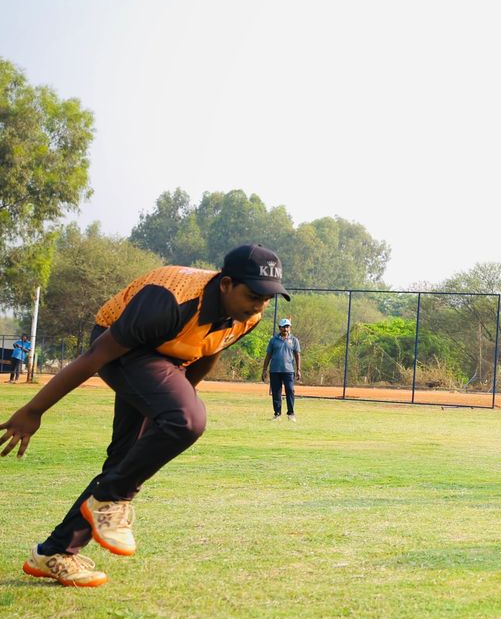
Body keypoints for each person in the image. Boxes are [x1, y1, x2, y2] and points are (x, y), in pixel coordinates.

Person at [0, 245, 289, 587]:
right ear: (226, 284)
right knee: (188, 420)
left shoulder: (247, 317)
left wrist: (165, 408)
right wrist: (33, 411)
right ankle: (111, 500)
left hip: (166, 361)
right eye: (254, 294)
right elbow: (95, 356)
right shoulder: (165, 303)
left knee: (124, 461)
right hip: (122, 349)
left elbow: (210, 349)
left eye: (268, 297)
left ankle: (55, 552)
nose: (260, 305)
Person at [260, 318, 301, 421]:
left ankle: (291, 414)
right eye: (284, 327)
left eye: (287, 326)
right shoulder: (273, 340)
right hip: (275, 370)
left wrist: (299, 369)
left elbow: (297, 355)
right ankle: (277, 414)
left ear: (290, 327)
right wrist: (264, 369)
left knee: (290, 391)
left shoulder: (294, 340)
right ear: (279, 328)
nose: (286, 329)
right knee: (276, 392)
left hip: (289, 370)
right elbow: (268, 355)